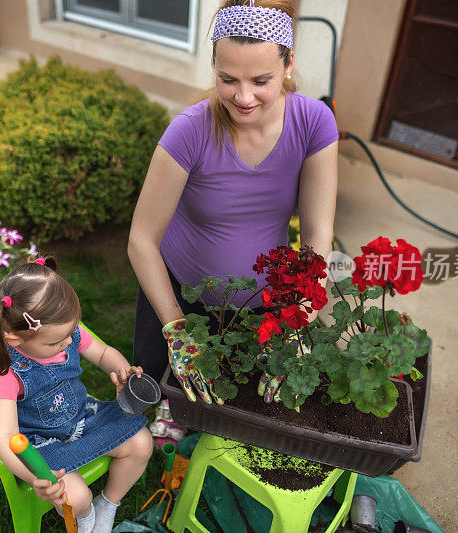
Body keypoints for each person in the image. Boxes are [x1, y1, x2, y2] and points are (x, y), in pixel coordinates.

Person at [128, 0, 338, 404]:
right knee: (167, 399)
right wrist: (176, 328)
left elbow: (316, 233)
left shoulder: (314, 123)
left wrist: (297, 323)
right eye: (228, 79)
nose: (243, 97)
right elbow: (141, 239)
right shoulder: (189, 130)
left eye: (261, 80)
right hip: (177, 296)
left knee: (241, 410)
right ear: (214, 66)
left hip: (264, 303)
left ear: (288, 63)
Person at [0, 257, 153, 533]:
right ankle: (85, 518)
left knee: (141, 443)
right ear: (15, 340)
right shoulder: (2, 370)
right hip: (37, 445)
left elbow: (103, 352)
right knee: (77, 498)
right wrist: (35, 478)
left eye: (71, 331)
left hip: (80, 417)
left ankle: (108, 505)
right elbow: (6, 438)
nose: (69, 343)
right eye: (56, 342)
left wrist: (122, 371)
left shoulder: (63, 333)